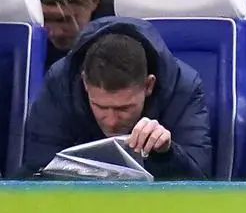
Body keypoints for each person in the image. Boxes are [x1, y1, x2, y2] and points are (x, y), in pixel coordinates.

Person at [22, 19, 213, 179]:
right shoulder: (60, 82)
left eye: (124, 108)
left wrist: (167, 153)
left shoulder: (183, 86)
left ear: (148, 86)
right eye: (100, 107)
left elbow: (202, 184)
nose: (112, 122)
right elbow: (37, 170)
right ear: (85, 83)